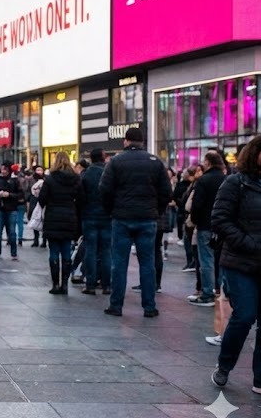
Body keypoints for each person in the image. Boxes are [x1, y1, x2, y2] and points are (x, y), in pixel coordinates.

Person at [101, 128, 172, 318]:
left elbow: (105, 190)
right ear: (142, 142)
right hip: (147, 218)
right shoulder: (155, 163)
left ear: (126, 141)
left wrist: (112, 211)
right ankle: (149, 307)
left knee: (119, 263)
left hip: (122, 218)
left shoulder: (115, 162)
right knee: (147, 263)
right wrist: (156, 210)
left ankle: (116, 305)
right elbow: (166, 191)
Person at [209, 135, 261, 393]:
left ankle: (260, 378)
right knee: (245, 315)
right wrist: (247, 242)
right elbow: (219, 219)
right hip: (240, 260)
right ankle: (224, 366)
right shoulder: (236, 183)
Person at [38, 152, 84, 295]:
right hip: (69, 217)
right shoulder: (76, 179)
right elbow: (82, 198)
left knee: (53, 252)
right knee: (66, 251)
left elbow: (42, 199)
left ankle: (55, 284)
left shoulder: (50, 179)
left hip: (53, 217)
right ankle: (65, 284)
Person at [188, 151, 227, 307]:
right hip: (222, 226)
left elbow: (197, 205)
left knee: (206, 260)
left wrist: (195, 221)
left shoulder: (204, 180)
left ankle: (207, 293)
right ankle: (220, 290)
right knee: (220, 259)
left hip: (205, 224)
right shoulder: (226, 179)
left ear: (209, 162)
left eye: (204, 161)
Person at [78, 149, 111, 295]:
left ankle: (90, 284)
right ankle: (106, 285)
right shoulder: (109, 173)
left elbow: (80, 196)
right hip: (107, 216)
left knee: (90, 250)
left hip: (89, 215)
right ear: (103, 158)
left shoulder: (86, 174)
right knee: (106, 251)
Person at [0, 162, 23, 262]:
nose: (3, 171)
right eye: (2, 169)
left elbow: (20, 195)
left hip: (11, 209)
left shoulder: (14, 181)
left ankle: (13, 253)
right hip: (0, 209)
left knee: (12, 232)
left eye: (5, 169)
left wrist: (9, 195)